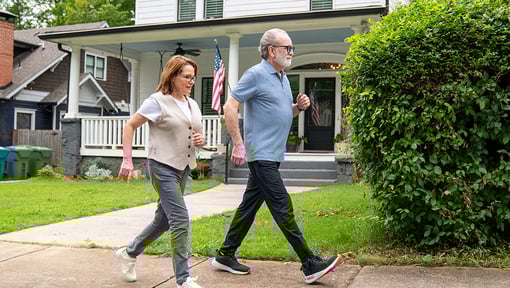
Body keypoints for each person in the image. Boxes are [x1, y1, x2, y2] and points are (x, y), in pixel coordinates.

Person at [211, 28, 342, 284]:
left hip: (273, 154)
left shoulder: (282, 77)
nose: (291, 52)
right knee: (282, 206)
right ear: (272, 51)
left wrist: (298, 108)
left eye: (292, 48)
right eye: (287, 48)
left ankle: (225, 255)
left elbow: (281, 114)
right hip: (260, 154)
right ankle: (310, 263)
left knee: (248, 207)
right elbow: (230, 106)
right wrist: (238, 144)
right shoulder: (256, 74)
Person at [116, 55, 205, 288]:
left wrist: (200, 140)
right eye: (186, 77)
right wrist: (127, 160)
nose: (191, 81)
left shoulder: (192, 103)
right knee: (180, 219)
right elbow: (130, 125)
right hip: (161, 166)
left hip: (183, 167)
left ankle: (129, 252)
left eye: (193, 78)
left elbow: (196, 135)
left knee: (163, 220)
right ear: (172, 76)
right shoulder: (157, 101)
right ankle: (183, 279)